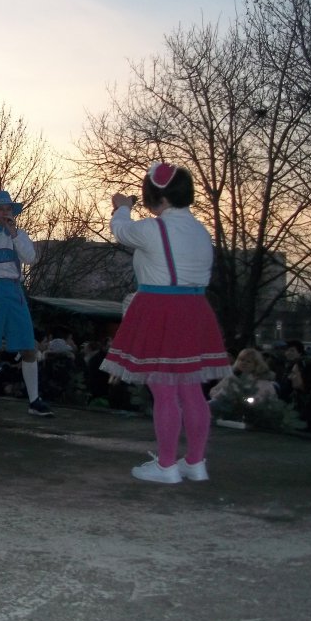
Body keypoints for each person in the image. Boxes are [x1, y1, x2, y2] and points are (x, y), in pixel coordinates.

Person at [101, 161, 232, 484]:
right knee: (191, 389)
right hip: (195, 309)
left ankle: (166, 466)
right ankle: (196, 462)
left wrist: (122, 207)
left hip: (160, 308)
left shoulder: (153, 229)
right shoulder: (200, 231)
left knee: (163, 390)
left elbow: (121, 230)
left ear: (155, 195)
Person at [0, 191, 51, 418]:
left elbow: (30, 258)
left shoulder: (19, 235)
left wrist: (15, 234)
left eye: (8, 209)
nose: (5, 213)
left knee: (28, 347)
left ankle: (34, 400)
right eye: (1, 209)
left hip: (15, 291)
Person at [207, 347, 281, 428]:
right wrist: (224, 394)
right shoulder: (231, 378)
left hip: (254, 414)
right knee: (210, 405)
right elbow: (213, 391)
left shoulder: (263, 382)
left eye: (248, 361)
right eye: (241, 360)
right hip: (229, 408)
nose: (244, 363)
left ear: (256, 364)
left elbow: (257, 401)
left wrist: (242, 399)